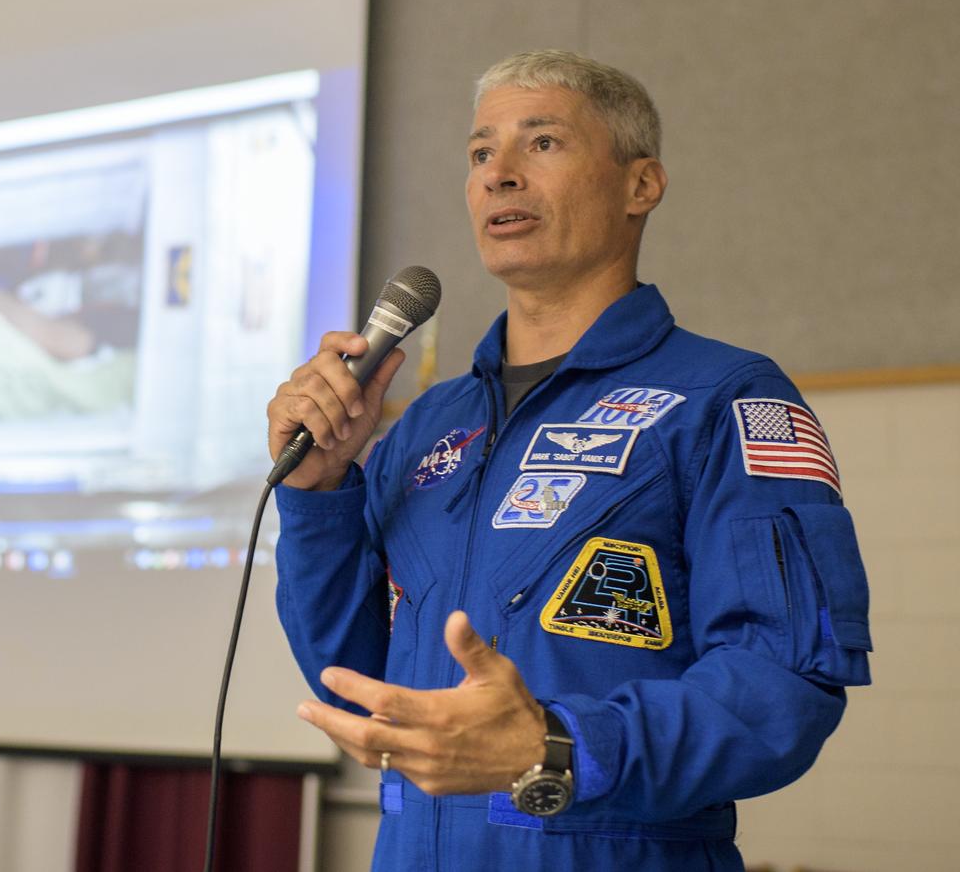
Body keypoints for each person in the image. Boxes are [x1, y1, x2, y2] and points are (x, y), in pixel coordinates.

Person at [266, 50, 871, 871]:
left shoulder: (724, 398)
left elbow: (782, 691)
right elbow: (356, 680)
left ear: (640, 185)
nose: (499, 175)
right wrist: (319, 488)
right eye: (481, 153)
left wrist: (556, 747)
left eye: (541, 143)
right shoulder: (426, 427)